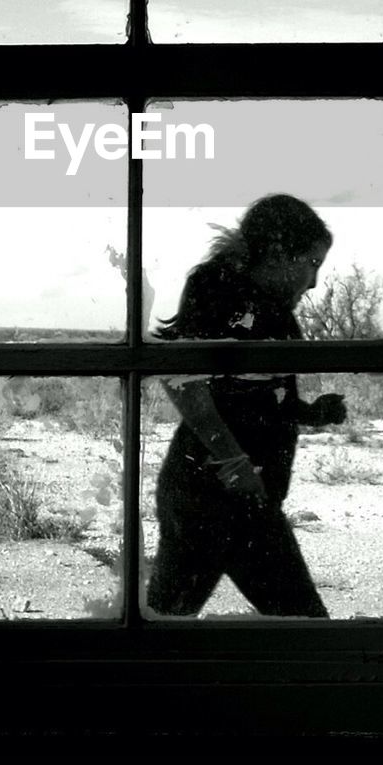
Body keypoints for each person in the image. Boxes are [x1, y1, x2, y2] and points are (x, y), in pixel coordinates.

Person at [145, 194, 347, 618]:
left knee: (164, 628)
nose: (313, 283)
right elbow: (183, 380)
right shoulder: (216, 287)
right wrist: (234, 461)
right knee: (306, 632)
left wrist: (311, 413)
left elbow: (257, 400)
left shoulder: (271, 311)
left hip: (244, 501)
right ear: (276, 253)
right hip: (207, 497)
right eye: (311, 263)